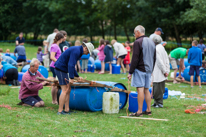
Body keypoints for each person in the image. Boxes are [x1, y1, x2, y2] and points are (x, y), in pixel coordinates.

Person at [54, 42, 94, 115]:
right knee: (64, 90)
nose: (87, 54)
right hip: (60, 69)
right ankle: (60, 111)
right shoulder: (77, 51)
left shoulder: (78, 50)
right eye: (88, 52)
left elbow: (72, 65)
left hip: (63, 70)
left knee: (68, 89)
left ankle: (67, 109)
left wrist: (77, 76)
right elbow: (71, 64)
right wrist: (71, 78)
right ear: (85, 48)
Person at [127, 25, 156, 117]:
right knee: (146, 90)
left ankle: (139, 111)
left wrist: (130, 72)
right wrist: (152, 69)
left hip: (140, 69)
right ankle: (148, 110)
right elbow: (154, 57)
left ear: (138, 32)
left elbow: (135, 58)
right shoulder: (152, 42)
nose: (134, 35)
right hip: (149, 69)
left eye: (134, 33)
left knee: (140, 90)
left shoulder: (137, 42)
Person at [151, 35, 170, 108]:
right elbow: (166, 60)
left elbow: (159, 62)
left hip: (159, 71)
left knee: (157, 88)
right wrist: (167, 70)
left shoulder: (156, 49)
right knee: (160, 87)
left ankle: (159, 103)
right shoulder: (162, 48)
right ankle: (156, 102)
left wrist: (164, 71)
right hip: (162, 71)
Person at [50, 33, 64, 104]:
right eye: (62, 38)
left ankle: (55, 99)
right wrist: (59, 63)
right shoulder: (55, 46)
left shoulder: (56, 45)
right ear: (60, 38)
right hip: (54, 66)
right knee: (55, 84)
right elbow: (52, 57)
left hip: (56, 66)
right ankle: (54, 100)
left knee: (55, 84)